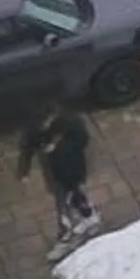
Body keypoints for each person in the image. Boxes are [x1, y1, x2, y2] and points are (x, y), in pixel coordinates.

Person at [24, 106, 98, 247]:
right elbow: (31, 145)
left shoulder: (70, 125)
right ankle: (86, 218)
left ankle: (87, 219)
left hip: (72, 168)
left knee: (74, 194)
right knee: (72, 194)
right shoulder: (43, 129)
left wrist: (57, 147)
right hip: (59, 170)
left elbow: (81, 141)